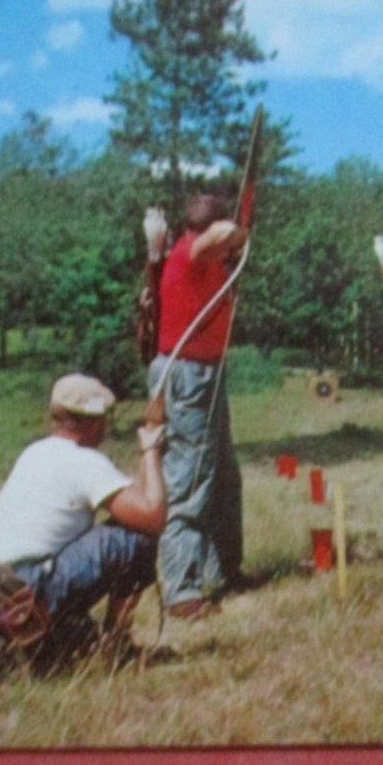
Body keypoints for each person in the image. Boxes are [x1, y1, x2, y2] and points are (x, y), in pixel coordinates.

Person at [0, 373, 166, 686]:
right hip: (27, 588)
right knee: (136, 540)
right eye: (104, 418)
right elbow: (151, 518)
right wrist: (151, 452)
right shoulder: (84, 461)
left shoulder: (34, 453)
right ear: (92, 421)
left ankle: (11, 640)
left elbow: (133, 504)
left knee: (76, 641)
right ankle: (116, 646)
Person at [144, 194, 246, 619]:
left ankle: (222, 571)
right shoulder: (192, 253)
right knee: (188, 482)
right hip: (190, 376)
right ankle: (182, 593)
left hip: (204, 373)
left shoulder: (197, 255)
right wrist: (238, 233)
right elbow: (222, 235)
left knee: (222, 477)